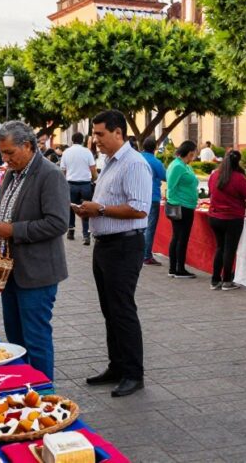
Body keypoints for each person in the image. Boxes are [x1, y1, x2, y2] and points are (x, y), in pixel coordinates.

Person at [0, 121, 69, 380]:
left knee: (36, 339)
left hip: (37, 272)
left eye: (9, 153)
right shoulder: (11, 173)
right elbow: (3, 208)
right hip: (9, 270)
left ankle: (43, 394)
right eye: (2, 153)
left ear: (28, 146)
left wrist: (14, 230)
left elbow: (58, 223)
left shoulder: (49, 174)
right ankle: (24, 386)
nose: (5, 159)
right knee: (15, 338)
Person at [76, 110, 152, 398]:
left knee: (122, 309)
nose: (96, 140)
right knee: (110, 310)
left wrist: (102, 210)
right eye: (94, 134)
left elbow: (139, 208)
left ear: (118, 133)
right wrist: (90, 209)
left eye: (100, 134)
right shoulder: (109, 162)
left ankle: (134, 373)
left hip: (124, 245)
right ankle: (117, 366)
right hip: (105, 245)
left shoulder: (133, 164)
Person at [207, 150, 246, 290]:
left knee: (220, 247)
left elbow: (211, 192)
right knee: (229, 249)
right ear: (238, 162)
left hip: (214, 217)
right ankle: (227, 280)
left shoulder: (214, 175)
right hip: (232, 218)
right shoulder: (239, 178)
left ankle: (215, 280)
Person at [166, 140, 199, 279]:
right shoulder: (177, 166)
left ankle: (174, 268)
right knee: (181, 238)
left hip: (187, 205)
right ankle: (179, 268)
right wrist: (174, 203)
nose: (194, 156)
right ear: (190, 153)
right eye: (193, 154)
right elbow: (171, 186)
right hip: (181, 206)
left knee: (178, 237)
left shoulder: (185, 165)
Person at [60, 132, 97, 246]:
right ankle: (86, 234)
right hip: (85, 184)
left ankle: (71, 231)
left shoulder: (66, 152)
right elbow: (93, 169)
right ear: (82, 141)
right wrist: (93, 179)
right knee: (85, 208)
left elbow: (63, 170)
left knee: (71, 207)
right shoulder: (87, 152)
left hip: (71, 183)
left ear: (72, 140)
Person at [140, 137, 167, 266]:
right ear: (155, 148)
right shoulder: (156, 162)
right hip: (152, 197)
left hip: (137, 196)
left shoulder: (137, 158)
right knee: (149, 227)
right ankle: (146, 256)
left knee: (137, 226)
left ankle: (137, 253)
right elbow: (165, 176)